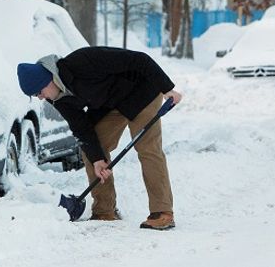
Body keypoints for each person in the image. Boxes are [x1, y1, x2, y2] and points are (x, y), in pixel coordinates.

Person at [16, 46, 182, 229]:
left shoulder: (83, 61)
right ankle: (105, 211)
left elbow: (140, 59)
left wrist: (167, 88)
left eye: (39, 92)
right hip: (110, 105)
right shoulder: (56, 97)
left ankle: (162, 212)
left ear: (48, 80)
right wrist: (97, 159)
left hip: (142, 94)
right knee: (92, 151)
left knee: (147, 148)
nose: (40, 98)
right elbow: (80, 127)